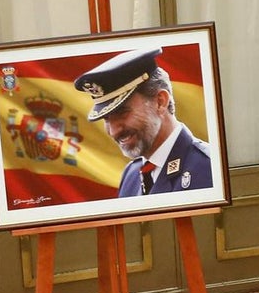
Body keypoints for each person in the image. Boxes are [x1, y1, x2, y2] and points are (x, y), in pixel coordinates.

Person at [74, 47, 212, 196]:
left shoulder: (208, 166)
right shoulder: (131, 176)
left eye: (122, 112)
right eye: (106, 119)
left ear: (160, 102)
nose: (114, 131)